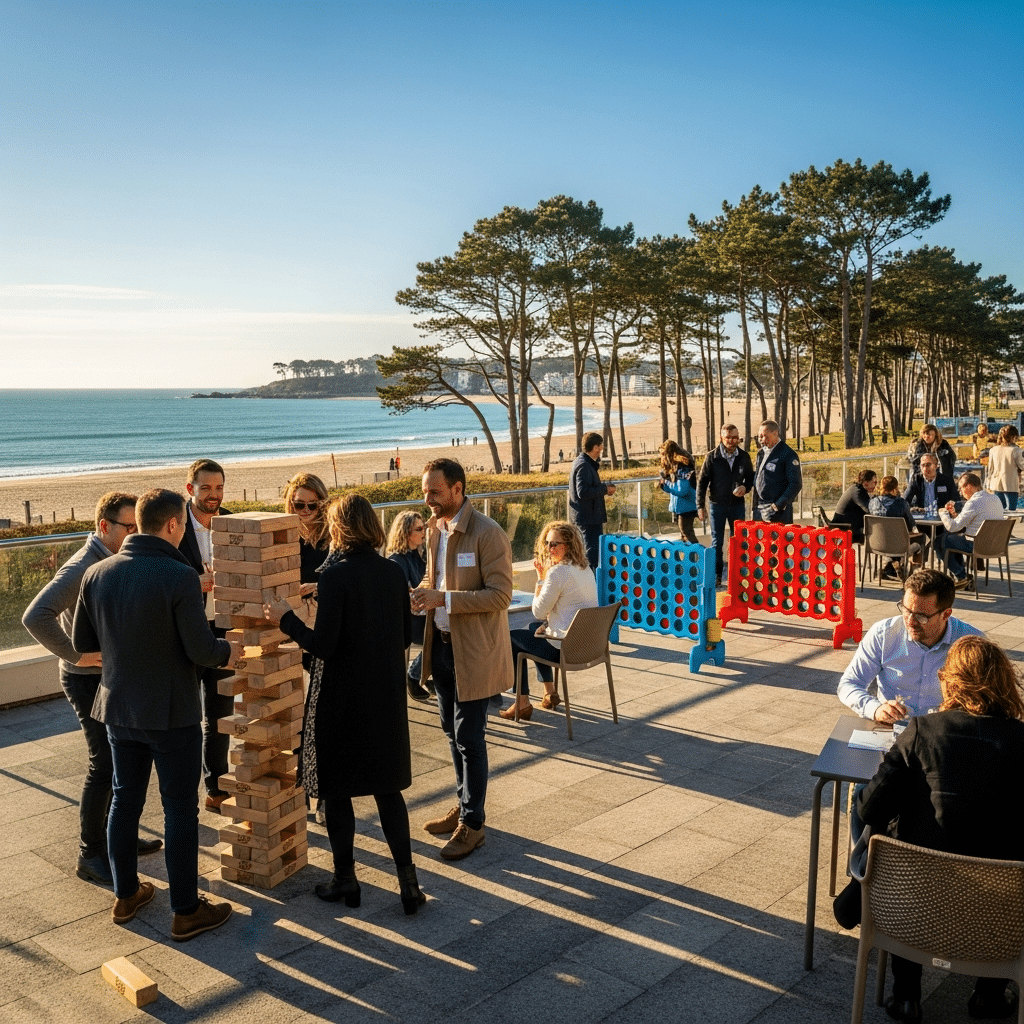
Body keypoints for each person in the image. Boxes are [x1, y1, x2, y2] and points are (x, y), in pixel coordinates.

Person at [72, 489, 237, 941]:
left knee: (125, 800)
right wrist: (231, 649)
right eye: (182, 523)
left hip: (118, 709)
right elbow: (202, 650)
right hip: (172, 713)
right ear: (171, 525)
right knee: (179, 808)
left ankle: (126, 895)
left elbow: (85, 646)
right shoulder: (180, 575)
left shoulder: (97, 574)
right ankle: (185, 910)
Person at [263, 495, 425, 914]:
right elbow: (404, 636)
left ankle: (345, 880)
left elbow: (323, 646)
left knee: (337, 792)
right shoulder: (393, 573)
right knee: (388, 792)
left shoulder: (335, 578)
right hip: (385, 701)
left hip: (340, 700)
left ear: (340, 529)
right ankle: (409, 884)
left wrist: (286, 617)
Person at [853, 637, 1024, 1023]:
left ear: (950, 681)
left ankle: (906, 995)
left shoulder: (921, 731)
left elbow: (869, 807)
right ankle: (988, 996)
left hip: (912, 908)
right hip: (999, 913)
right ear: (1004, 682)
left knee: (910, 849)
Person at [22, 492, 162, 887]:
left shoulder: (115, 560)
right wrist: (76, 655)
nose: (136, 534)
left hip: (110, 678)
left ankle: (122, 837)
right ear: (105, 527)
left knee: (124, 762)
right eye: (129, 527)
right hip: (85, 681)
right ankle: (90, 854)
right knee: (104, 764)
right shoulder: (82, 566)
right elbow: (35, 615)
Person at [410, 459, 513, 861]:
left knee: (470, 738)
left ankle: (473, 824)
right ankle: (464, 805)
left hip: (474, 652)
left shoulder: (488, 534)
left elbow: (501, 596)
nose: (427, 500)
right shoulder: (436, 532)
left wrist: (444, 600)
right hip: (442, 649)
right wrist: (421, 594)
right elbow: (433, 582)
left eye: (434, 492)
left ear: (457, 489)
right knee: (452, 735)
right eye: (424, 492)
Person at [836, 569, 982, 723]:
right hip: (893, 728)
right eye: (906, 610)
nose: (910, 621)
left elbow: (991, 701)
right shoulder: (883, 634)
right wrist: (875, 709)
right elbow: (849, 684)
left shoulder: (971, 643)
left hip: (944, 732)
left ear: (945, 614)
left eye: (921, 616)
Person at [178, 458, 234, 812]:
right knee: (185, 715)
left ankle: (216, 787)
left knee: (220, 713)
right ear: (190, 489)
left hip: (223, 628)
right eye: (205, 488)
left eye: (218, 488)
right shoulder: (173, 524)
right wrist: (194, 583)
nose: (213, 495)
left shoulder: (233, 522)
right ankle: (182, 791)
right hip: (186, 631)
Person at [503, 521, 598, 721]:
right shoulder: (585, 568)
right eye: (547, 543)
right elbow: (550, 616)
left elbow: (538, 610)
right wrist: (546, 625)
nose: (549, 548)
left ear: (570, 545)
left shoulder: (557, 573)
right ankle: (549, 692)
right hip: (588, 647)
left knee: (511, 638)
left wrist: (541, 579)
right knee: (534, 629)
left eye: (555, 544)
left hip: (565, 650)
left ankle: (522, 702)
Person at [696, 423, 755, 587]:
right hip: (717, 505)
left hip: (737, 505)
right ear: (721, 438)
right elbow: (702, 483)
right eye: (728, 437)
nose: (731, 440)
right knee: (717, 543)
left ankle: (738, 575)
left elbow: (751, 478)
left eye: (734, 437)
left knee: (739, 541)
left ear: (738, 438)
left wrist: (745, 487)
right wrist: (700, 507)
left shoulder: (743, 456)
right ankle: (717, 577)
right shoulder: (712, 457)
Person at [386, 510, 431, 702]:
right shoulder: (397, 561)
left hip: (423, 614)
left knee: (450, 628)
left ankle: (431, 673)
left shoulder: (417, 555)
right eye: (420, 529)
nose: (424, 532)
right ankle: (414, 675)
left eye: (425, 528)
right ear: (406, 533)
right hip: (410, 621)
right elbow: (403, 596)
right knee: (444, 635)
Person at [937, 471, 1005, 587]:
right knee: (952, 540)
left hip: (976, 545)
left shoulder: (973, 502)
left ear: (968, 486)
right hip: (996, 545)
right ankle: (962, 575)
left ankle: (961, 576)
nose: (960, 492)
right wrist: (954, 515)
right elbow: (972, 521)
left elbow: (952, 527)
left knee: (940, 541)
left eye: (961, 488)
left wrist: (943, 513)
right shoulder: (995, 499)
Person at [569, 432, 616, 569]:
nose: (602, 449)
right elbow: (582, 492)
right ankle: (593, 587)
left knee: (590, 554)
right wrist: (604, 489)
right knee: (592, 557)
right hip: (588, 519)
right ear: (595, 447)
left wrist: (603, 489)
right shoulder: (584, 465)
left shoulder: (581, 462)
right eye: (601, 446)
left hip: (587, 517)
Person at [868, 476, 928, 579]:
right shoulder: (901, 503)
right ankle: (911, 571)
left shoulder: (872, 502)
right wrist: (909, 509)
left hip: (878, 544)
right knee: (922, 538)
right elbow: (911, 523)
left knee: (892, 537)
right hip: (898, 546)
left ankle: (891, 563)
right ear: (895, 488)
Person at [751, 419, 802, 524]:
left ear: (775, 433)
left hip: (777, 510)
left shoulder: (787, 454)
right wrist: (754, 507)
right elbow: (758, 478)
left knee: (777, 540)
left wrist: (778, 505)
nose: (761, 440)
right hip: (759, 508)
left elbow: (796, 484)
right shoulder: (761, 453)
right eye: (759, 436)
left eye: (764, 436)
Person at [657, 440, 698, 543]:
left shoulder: (682, 468)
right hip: (683, 506)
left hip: (686, 506)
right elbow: (677, 488)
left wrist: (665, 484)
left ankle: (700, 556)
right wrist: (665, 485)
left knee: (686, 532)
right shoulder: (678, 467)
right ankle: (692, 557)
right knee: (685, 535)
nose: (661, 458)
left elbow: (682, 490)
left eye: (663, 455)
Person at [830, 469, 877, 544]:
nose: (875, 485)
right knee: (878, 530)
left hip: (845, 524)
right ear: (866, 483)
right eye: (874, 482)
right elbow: (869, 509)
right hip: (845, 528)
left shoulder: (856, 489)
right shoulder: (857, 492)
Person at [984, 424, 1024, 510]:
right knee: (1011, 511)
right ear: (1013, 437)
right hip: (1010, 486)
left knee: (999, 511)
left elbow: (990, 469)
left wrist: (988, 484)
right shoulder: (1017, 450)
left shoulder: (993, 450)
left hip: (995, 485)